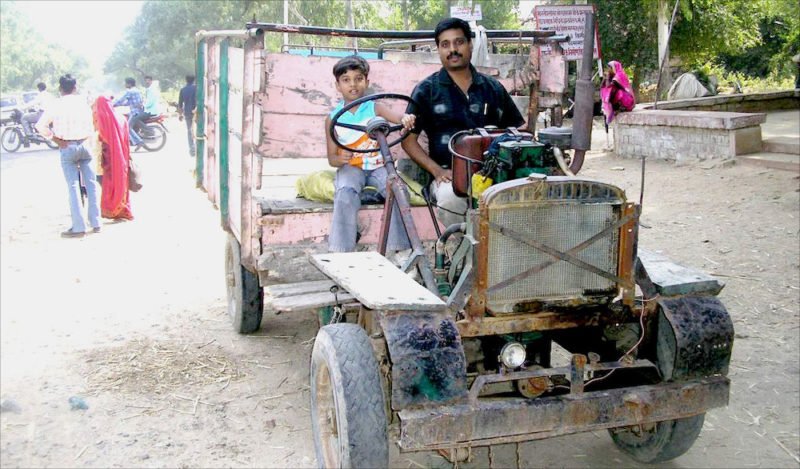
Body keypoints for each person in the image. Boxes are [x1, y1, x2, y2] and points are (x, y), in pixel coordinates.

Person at [402, 17, 525, 228]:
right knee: (451, 201)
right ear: (439, 50)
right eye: (445, 44)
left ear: (470, 44)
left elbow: (518, 131)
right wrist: (437, 171)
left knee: (522, 201)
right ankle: (462, 255)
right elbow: (408, 140)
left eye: (458, 42)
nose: (453, 50)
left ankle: (498, 257)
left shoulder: (492, 88)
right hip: (448, 177)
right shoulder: (427, 90)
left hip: (496, 174)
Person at [324, 55, 415, 253]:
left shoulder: (375, 107)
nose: (353, 84)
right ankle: (341, 250)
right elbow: (332, 158)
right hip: (352, 167)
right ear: (338, 86)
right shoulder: (333, 118)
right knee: (345, 192)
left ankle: (398, 249)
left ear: (367, 81)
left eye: (358, 78)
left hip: (378, 165)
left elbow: (398, 118)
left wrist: (406, 118)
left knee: (398, 190)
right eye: (346, 80)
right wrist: (340, 159)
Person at [36, 74, 101, 238]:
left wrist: (55, 139)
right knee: (91, 184)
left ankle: (78, 227)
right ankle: (96, 222)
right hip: (85, 145)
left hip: (67, 146)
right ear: (75, 87)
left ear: (60, 89)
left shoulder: (55, 105)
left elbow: (40, 125)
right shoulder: (84, 103)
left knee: (73, 187)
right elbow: (92, 124)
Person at [93, 96, 134, 220]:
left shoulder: (104, 120)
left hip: (109, 158)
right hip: (122, 155)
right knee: (122, 182)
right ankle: (121, 209)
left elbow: (101, 140)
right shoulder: (121, 118)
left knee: (109, 184)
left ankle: (112, 209)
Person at [600, 61, 635, 128]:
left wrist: (608, 79)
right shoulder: (613, 75)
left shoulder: (620, 75)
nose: (608, 70)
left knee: (618, 93)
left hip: (627, 98)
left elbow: (613, 85)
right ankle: (612, 110)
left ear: (614, 68)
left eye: (610, 68)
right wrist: (605, 78)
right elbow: (603, 86)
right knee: (610, 94)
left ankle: (623, 107)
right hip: (621, 96)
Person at [113, 77, 145, 150]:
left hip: (135, 112)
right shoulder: (137, 90)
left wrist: (113, 105)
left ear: (129, 84)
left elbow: (121, 100)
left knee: (127, 127)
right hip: (139, 110)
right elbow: (129, 102)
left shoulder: (130, 91)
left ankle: (139, 141)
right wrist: (121, 104)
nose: (124, 84)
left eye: (125, 83)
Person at [129, 75, 161, 141]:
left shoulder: (151, 89)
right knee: (138, 117)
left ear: (151, 81)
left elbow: (151, 101)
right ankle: (142, 133)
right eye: (146, 80)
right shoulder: (151, 89)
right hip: (150, 109)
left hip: (151, 111)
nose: (147, 82)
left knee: (135, 118)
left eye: (148, 80)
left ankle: (150, 131)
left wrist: (143, 105)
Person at [178, 75, 197, 157]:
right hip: (196, 112)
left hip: (187, 112)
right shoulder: (196, 88)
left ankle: (191, 148)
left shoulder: (182, 90)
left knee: (189, 130)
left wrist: (180, 114)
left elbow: (180, 104)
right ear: (194, 80)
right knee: (197, 129)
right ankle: (196, 146)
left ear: (186, 80)